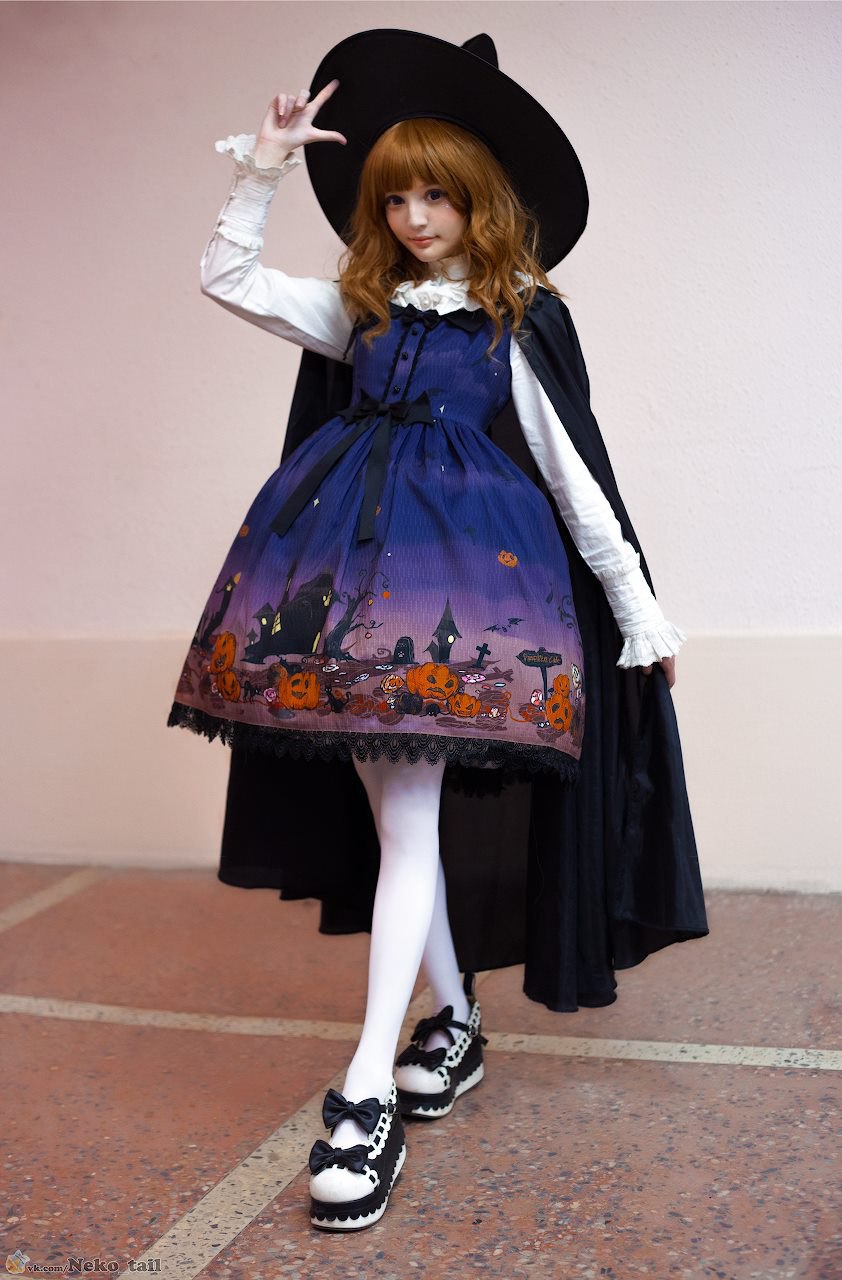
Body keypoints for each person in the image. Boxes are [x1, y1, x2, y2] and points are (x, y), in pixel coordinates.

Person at [168, 30, 707, 1231]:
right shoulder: (359, 312)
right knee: (394, 822)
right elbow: (227, 277)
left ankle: (368, 1088)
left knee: (407, 822)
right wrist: (262, 166)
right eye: (395, 198)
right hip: (342, 592)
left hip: (459, 605)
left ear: (479, 201)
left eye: (438, 196)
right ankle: (452, 1018)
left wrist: (637, 611)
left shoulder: (516, 321)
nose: (415, 219)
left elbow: (575, 478)